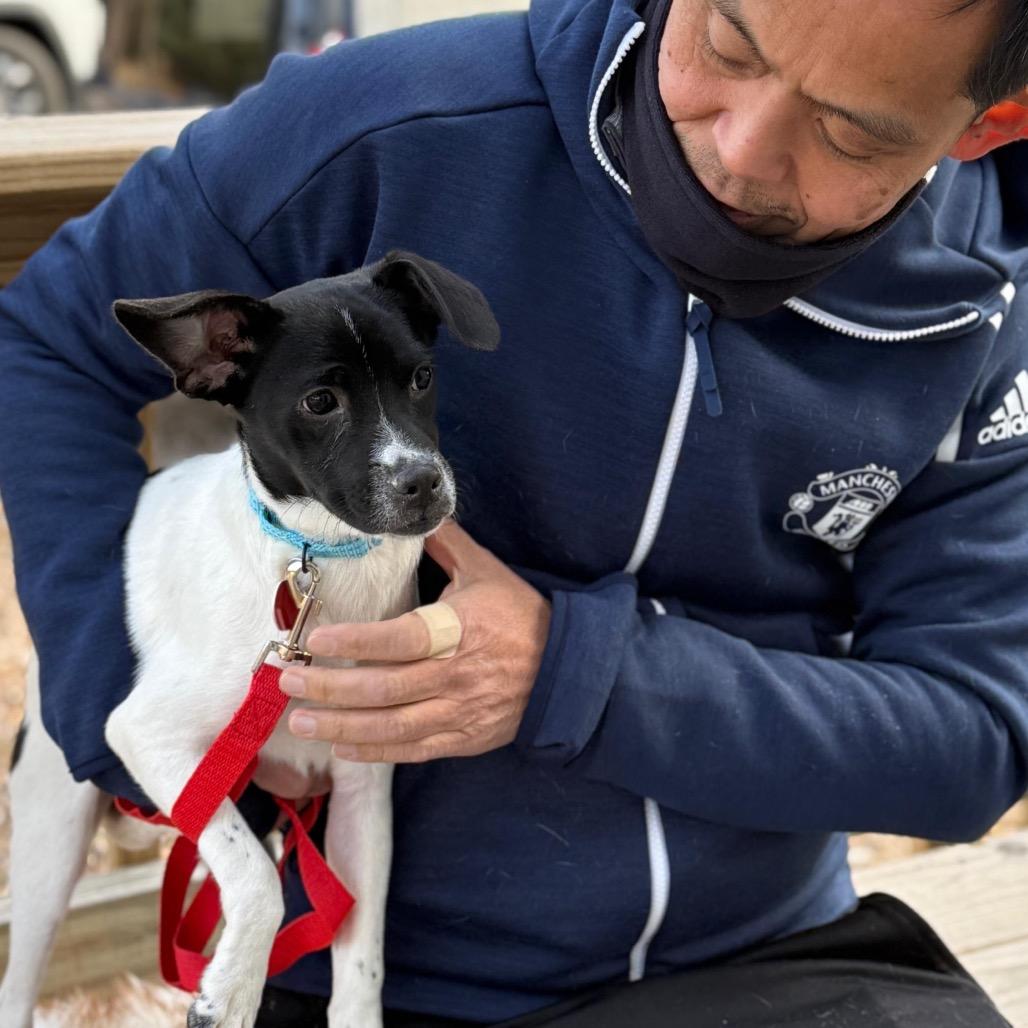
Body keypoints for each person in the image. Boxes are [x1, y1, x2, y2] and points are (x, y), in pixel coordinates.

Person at [1, 0, 1027, 1024]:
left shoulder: (981, 301)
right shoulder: (383, 122)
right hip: (371, 973)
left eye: (849, 131)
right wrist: (117, 695)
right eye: (724, 43)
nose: (742, 151)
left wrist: (575, 676)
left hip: (775, 956)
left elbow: (975, 731)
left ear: (991, 121)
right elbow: (51, 336)